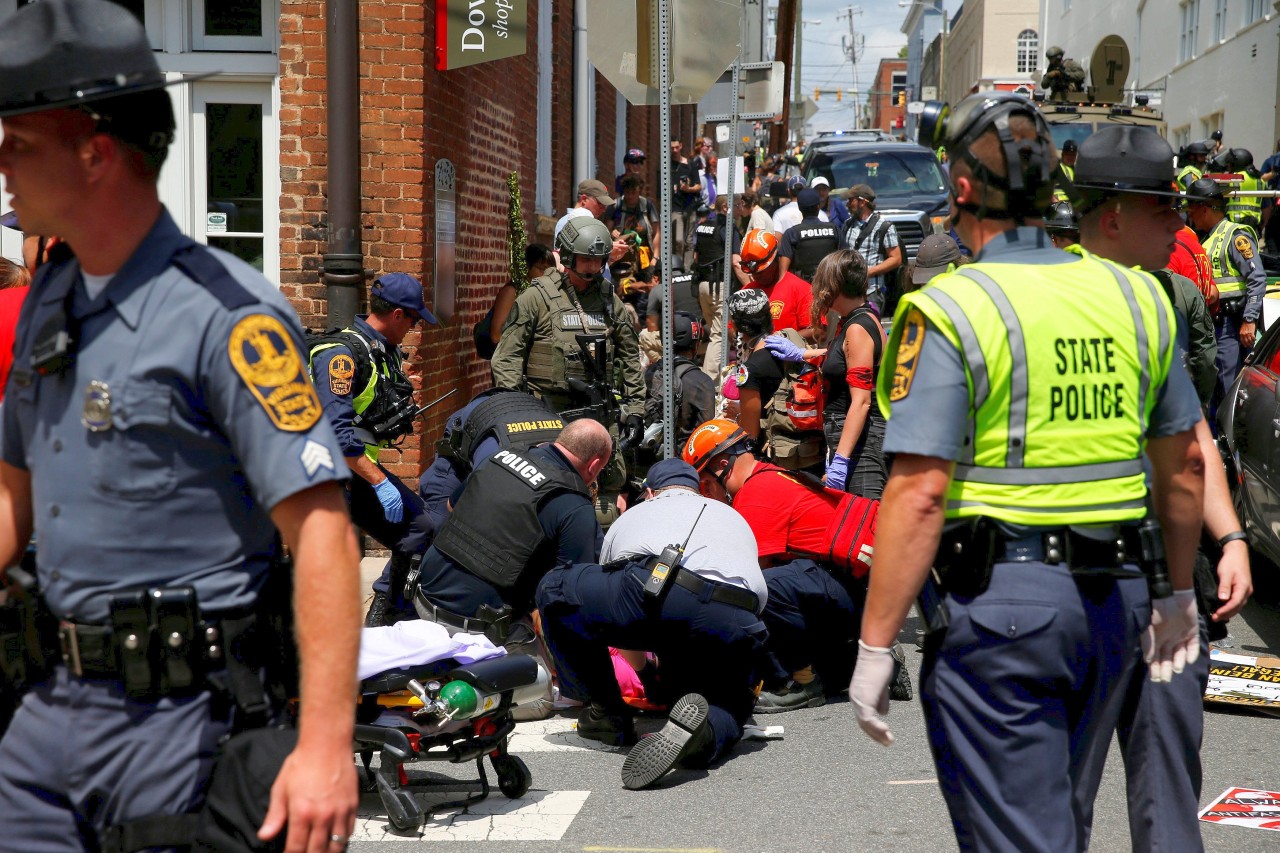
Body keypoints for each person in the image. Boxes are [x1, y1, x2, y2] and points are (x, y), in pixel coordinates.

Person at [0, 1, 361, 848]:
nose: (1, 161)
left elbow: (322, 536)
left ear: (94, 153)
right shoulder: (53, 300)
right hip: (46, 710)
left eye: (20, 142)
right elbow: (11, 488)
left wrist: (325, 746)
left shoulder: (229, 319)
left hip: (178, 726)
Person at [851, 92, 1205, 851]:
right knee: (1053, 821)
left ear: (964, 188)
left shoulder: (951, 305)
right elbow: (1185, 467)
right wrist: (1177, 595)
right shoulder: (1137, 294)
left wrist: (876, 644)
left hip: (1004, 613)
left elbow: (920, 492)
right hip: (1117, 605)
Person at [1071, 123, 1252, 853]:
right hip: (1078, 584)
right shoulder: (1047, 300)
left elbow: (1192, 438)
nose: (1181, 222)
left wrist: (1231, 535)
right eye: (1162, 208)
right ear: (1112, 215)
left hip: (1159, 578)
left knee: (1168, 787)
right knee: (1061, 800)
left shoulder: (1162, 301)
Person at [535, 458, 769, 790]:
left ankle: (606, 713)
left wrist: (644, 671)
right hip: (737, 615)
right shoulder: (733, 516)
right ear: (698, 489)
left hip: (656, 589)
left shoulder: (633, 515)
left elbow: (613, 620)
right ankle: (705, 733)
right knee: (730, 701)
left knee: (557, 589)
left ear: (650, 492)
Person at [681, 419, 910, 712]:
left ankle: (801, 683)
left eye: (705, 483)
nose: (707, 492)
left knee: (759, 589)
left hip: (841, 588)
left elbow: (751, 578)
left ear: (723, 465)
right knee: (782, 601)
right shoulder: (772, 474)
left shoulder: (756, 492)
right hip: (850, 589)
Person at [492, 216, 647, 527]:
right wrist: (514, 413)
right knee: (545, 491)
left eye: (597, 261)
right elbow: (507, 359)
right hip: (546, 412)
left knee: (608, 490)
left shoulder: (608, 299)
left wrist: (635, 411)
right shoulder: (536, 297)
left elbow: (630, 356)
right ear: (567, 254)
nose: (591, 269)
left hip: (598, 413)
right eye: (585, 260)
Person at [309, 273, 436, 626]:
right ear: (397, 315)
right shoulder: (341, 355)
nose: (413, 327)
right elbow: (335, 434)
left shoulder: (382, 350)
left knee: (420, 527)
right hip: (321, 475)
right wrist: (380, 483)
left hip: (354, 470)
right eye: (412, 319)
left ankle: (385, 617)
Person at [413, 418, 611, 636]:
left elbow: (451, 506)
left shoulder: (500, 457)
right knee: (544, 667)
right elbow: (572, 592)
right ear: (594, 466)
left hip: (422, 595)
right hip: (479, 628)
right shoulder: (575, 504)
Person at [809, 250, 888, 499]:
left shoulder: (857, 329)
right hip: (855, 443)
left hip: (862, 448)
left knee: (865, 525)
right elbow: (846, 358)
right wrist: (801, 353)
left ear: (833, 285)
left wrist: (841, 461)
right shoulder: (857, 319)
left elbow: (862, 402)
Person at [1184, 177, 1267, 400]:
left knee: (1227, 384)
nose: (1189, 216)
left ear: (1203, 209)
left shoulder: (1235, 236)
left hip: (1231, 323)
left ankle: (1227, 434)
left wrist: (1249, 320)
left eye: (1192, 210)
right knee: (1217, 382)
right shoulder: (1207, 238)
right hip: (1216, 323)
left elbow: (1257, 278)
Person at [643, 311, 715, 449]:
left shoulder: (650, 373)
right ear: (695, 342)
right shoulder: (702, 381)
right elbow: (707, 430)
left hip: (648, 457)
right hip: (685, 461)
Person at [692, 196, 746, 378]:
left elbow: (696, 258)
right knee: (719, 336)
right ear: (726, 207)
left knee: (715, 333)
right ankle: (710, 382)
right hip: (719, 287)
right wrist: (749, 284)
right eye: (739, 205)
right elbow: (735, 262)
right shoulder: (728, 229)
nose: (741, 208)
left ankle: (708, 372)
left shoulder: (703, 226)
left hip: (703, 286)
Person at [475, 243, 555, 360]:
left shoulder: (542, 293)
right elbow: (496, 335)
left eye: (551, 271)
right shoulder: (511, 292)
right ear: (527, 267)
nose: (547, 275)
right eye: (542, 269)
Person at [738, 228, 816, 340]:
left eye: (761, 271)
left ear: (775, 260)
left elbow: (817, 332)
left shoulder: (801, 290)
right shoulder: (746, 293)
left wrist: (779, 340)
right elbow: (732, 329)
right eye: (753, 272)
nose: (756, 276)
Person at [839, 184, 902, 315]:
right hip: (849, 292)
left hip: (872, 291)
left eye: (851, 200)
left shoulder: (884, 226)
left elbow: (896, 259)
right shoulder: (847, 224)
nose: (848, 204)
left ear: (862, 202)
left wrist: (869, 272)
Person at [777, 188, 840, 283]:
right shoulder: (834, 230)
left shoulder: (791, 233)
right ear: (818, 206)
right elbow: (845, 261)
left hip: (802, 290)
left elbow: (783, 276)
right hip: (830, 288)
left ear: (799, 208)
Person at [1166, 224, 1220, 317]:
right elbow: (1213, 292)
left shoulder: (1170, 249)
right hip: (1201, 318)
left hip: (1180, 319)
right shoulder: (1199, 248)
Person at [671, 140, 703, 269]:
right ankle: (677, 268)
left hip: (689, 207)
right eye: (672, 148)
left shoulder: (690, 165)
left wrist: (688, 188)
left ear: (681, 146)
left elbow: (699, 186)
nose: (674, 150)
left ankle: (687, 270)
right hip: (675, 207)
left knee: (689, 241)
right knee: (678, 240)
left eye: (677, 147)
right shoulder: (667, 165)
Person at [1223, 148, 1264, 240]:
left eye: (1230, 165)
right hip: (1253, 227)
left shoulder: (1233, 178)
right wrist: (1261, 227)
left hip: (1233, 226)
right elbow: (1267, 208)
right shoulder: (1260, 181)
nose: (1228, 168)